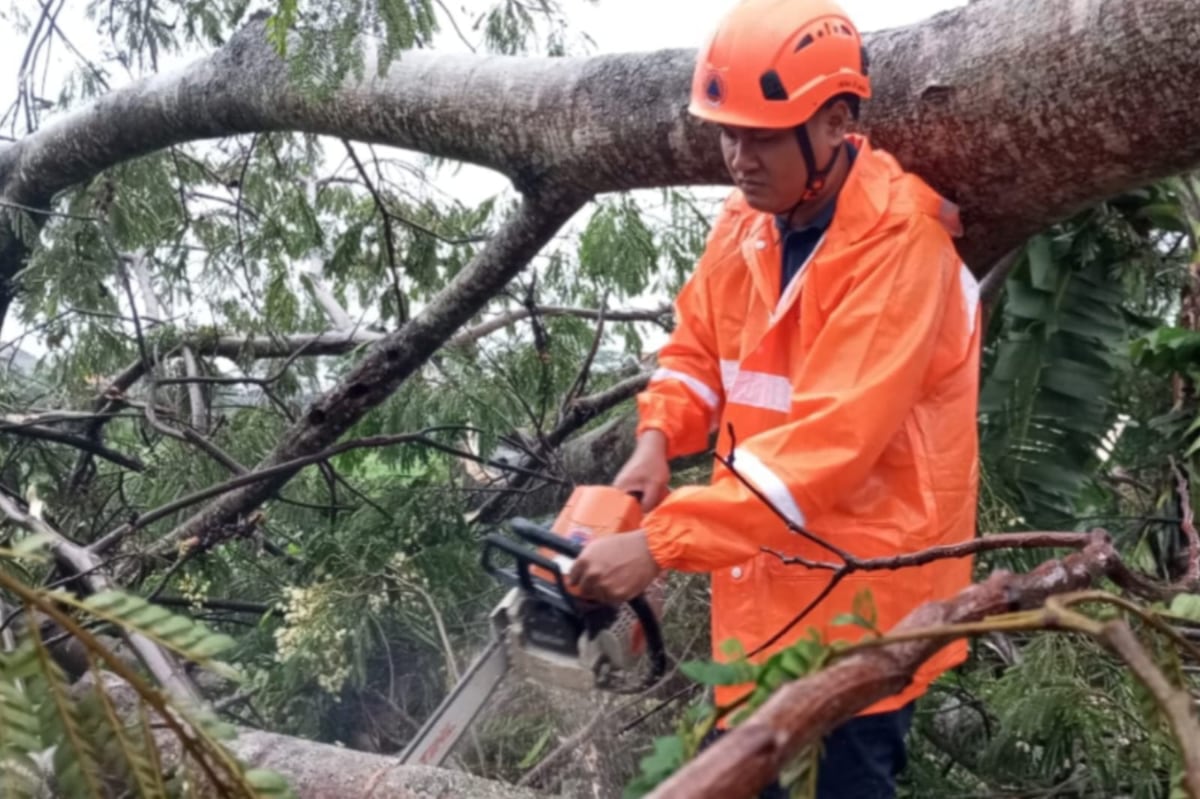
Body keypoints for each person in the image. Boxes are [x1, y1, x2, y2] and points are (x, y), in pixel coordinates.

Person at [567, 0, 982, 796]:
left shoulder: (901, 246)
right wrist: (657, 438)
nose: (738, 157)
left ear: (833, 122)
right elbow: (696, 351)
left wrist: (659, 543)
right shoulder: (744, 224)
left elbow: (827, 446)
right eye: (729, 134)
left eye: (761, 135)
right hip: (759, 584)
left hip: (865, 600)